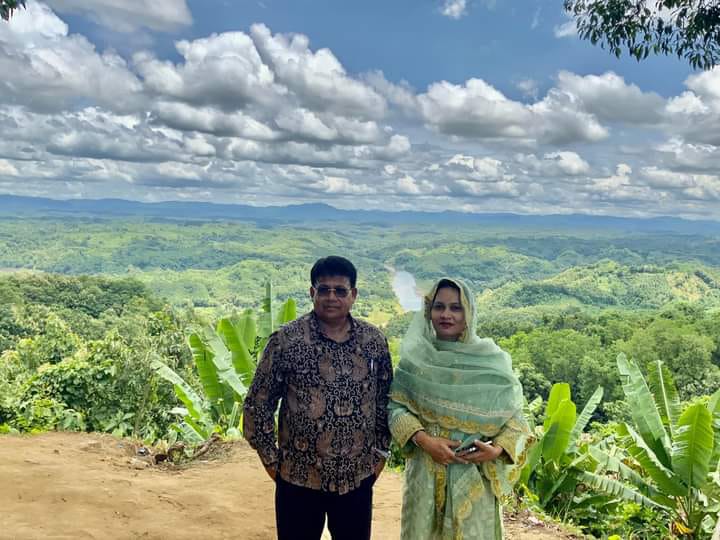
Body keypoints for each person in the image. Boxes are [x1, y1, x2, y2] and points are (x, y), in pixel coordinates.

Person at [243, 256, 393, 540]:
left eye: (340, 290)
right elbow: (257, 403)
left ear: (353, 294)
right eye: (324, 289)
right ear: (312, 292)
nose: (331, 297)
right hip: (298, 478)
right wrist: (272, 462)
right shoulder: (287, 341)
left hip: (357, 478)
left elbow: (385, 400)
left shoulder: (373, 341)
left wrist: (381, 455)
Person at [388, 277, 533, 540]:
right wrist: (425, 441)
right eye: (439, 307)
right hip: (425, 476)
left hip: (474, 480)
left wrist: (497, 449)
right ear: (428, 312)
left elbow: (516, 420)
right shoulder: (415, 361)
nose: (446, 314)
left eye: (456, 307)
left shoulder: (491, 361)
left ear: (469, 313)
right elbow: (395, 407)